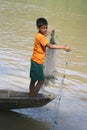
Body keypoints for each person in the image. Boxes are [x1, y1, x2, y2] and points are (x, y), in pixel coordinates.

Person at [29, 17, 71, 97]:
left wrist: (50, 30)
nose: (45, 29)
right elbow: (50, 46)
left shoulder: (38, 35)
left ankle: (31, 95)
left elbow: (43, 35)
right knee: (41, 81)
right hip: (37, 62)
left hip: (35, 60)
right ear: (38, 28)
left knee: (33, 81)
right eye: (43, 28)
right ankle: (33, 97)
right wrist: (64, 47)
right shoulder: (41, 37)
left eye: (46, 28)